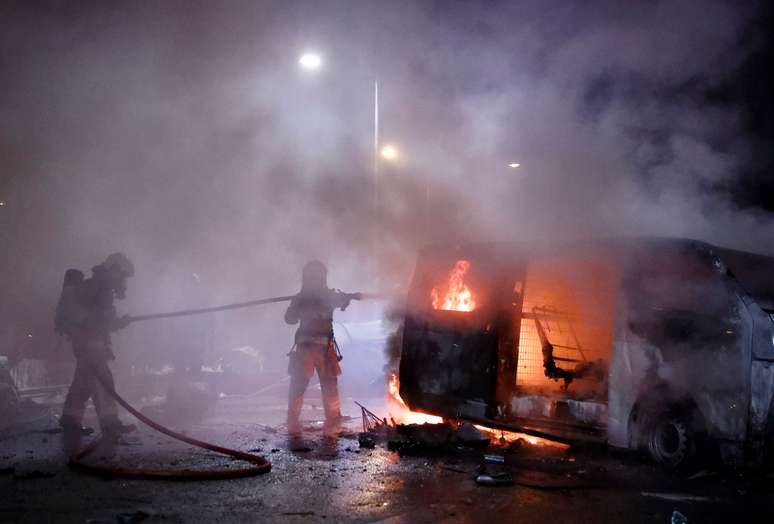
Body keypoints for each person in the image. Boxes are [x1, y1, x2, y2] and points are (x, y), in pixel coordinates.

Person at [58, 253, 137, 451]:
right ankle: (110, 425)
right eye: (123, 276)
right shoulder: (101, 286)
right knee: (103, 381)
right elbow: (101, 320)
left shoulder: (98, 285)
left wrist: (118, 323)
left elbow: (98, 319)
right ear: (115, 270)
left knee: (83, 383)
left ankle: (70, 421)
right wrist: (120, 323)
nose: (124, 281)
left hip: (86, 340)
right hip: (90, 342)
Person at [284, 260, 359, 439]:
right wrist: (297, 306)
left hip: (322, 348)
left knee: (325, 386)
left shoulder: (328, 297)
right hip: (310, 349)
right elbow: (290, 318)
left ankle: (330, 420)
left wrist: (345, 299)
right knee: (303, 385)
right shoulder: (304, 298)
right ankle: (297, 420)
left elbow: (342, 303)